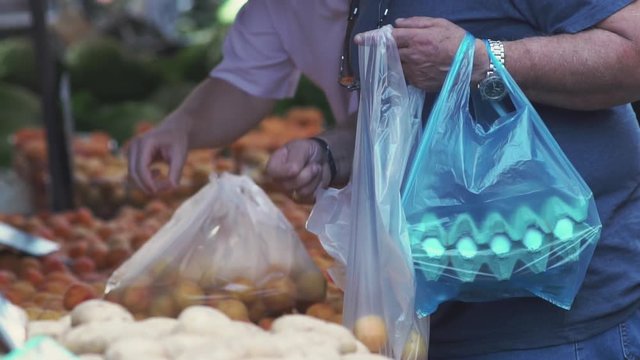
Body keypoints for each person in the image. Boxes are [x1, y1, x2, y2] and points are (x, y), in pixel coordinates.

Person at [128, 0, 640, 358]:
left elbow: (632, 50)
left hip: (562, 331)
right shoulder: (370, 4)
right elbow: (405, 115)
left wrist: (481, 58)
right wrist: (328, 153)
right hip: (429, 319)